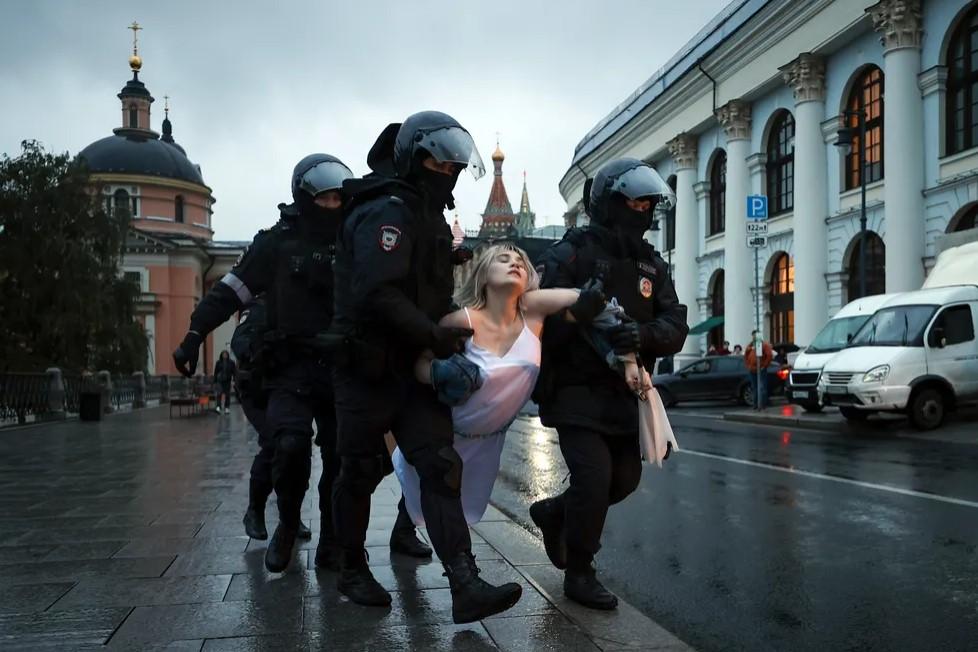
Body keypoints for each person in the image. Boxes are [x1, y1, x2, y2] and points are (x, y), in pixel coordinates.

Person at [330, 111, 522, 623]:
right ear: (415, 159)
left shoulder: (427, 214)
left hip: (414, 370)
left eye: (455, 164)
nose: (450, 171)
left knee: (440, 464)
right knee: (358, 470)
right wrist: (433, 332)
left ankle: (465, 583)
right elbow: (378, 293)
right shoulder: (386, 212)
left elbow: (425, 285)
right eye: (439, 161)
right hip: (367, 368)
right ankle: (350, 567)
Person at [173, 153, 354, 574]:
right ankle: (287, 527)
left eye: (337, 199)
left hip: (341, 364)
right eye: (324, 199)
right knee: (289, 448)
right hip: (290, 365)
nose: (332, 206)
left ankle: (331, 540)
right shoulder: (275, 243)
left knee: (342, 457)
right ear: (305, 197)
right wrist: (195, 334)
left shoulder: (352, 238)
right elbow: (229, 292)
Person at [530, 158, 688, 610]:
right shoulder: (572, 252)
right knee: (595, 478)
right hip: (575, 388)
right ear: (608, 202)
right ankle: (580, 572)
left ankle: (554, 512)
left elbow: (675, 323)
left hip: (626, 392)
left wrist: (644, 335)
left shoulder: (651, 264)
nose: (643, 209)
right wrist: (581, 311)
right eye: (634, 200)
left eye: (648, 202)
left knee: (624, 480)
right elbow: (535, 315)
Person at [392, 243, 605, 527]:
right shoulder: (460, 320)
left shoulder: (532, 315)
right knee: (429, 489)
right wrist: (437, 372)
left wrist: (589, 296)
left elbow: (576, 298)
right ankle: (459, 564)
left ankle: (411, 530)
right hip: (447, 432)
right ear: (483, 274)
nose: (514, 263)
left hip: (488, 442)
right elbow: (419, 363)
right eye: (503, 259)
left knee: (451, 502)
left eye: (521, 262)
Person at [231, 296, 313, 542]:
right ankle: (254, 510)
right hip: (257, 391)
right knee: (273, 442)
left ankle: (291, 513)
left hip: (291, 389)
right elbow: (240, 340)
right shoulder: (259, 306)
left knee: (298, 449)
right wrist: (260, 350)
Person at [745, 330, 773, 410]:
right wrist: (748, 366)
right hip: (752, 370)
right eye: (753, 336)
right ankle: (756, 404)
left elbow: (769, 355)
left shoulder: (764, 345)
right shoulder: (750, 345)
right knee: (754, 387)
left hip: (760, 369)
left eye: (755, 335)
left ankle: (762, 404)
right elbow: (746, 356)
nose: (754, 337)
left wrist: (764, 365)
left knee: (762, 387)